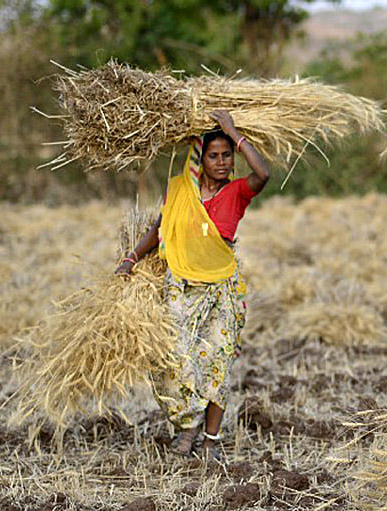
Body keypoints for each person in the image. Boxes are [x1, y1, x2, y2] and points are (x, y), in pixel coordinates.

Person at [115, 110, 270, 459]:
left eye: (226, 155)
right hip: (181, 286)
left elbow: (264, 173)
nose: (221, 162)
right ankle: (187, 427)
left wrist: (233, 132)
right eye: (213, 155)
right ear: (201, 157)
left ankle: (209, 441)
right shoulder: (181, 191)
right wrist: (130, 259)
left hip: (223, 290)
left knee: (217, 362)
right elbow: (159, 229)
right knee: (174, 360)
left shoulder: (237, 192)